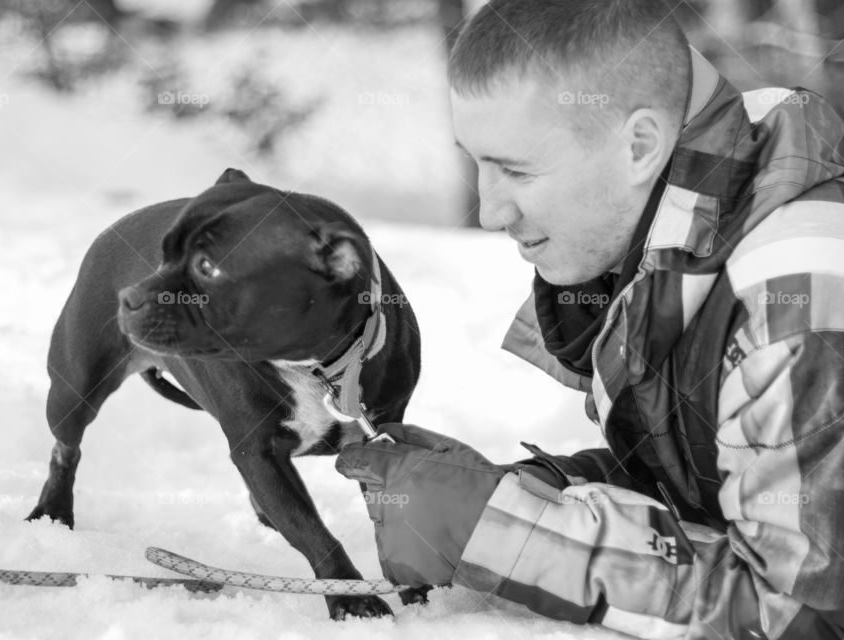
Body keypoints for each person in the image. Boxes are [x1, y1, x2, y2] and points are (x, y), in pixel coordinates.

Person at [334, 0, 844, 638]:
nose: (490, 212)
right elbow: (709, 492)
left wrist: (504, 535)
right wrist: (524, 494)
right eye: (478, 163)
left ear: (639, 146)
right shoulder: (672, 223)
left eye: (517, 170)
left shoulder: (796, 296)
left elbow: (801, 613)